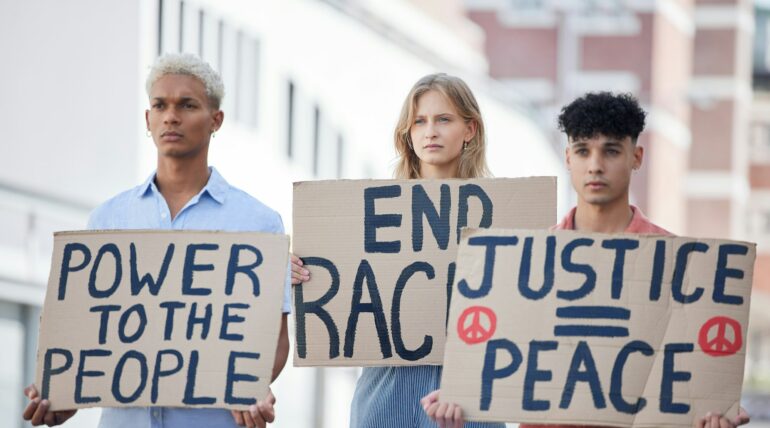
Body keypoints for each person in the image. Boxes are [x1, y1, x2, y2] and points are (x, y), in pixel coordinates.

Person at [420, 92, 750, 428]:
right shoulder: (524, 261)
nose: (595, 165)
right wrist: (462, 399)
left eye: (610, 151)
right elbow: (499, 363)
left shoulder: (682, 265)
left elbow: (690, 380)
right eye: (582, 151)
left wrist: (709, 414)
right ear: (568, 158)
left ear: (636, 157)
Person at [22, 53, 289, 428]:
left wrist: (250, 385)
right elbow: (87, 330)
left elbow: (275, 337)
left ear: (216, 120)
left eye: (187, 105)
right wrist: (65, 392)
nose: (171, 116)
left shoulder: (258, 223)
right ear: (148, 119)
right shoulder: (106, 220)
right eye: (160, 105)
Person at [290, 73, 503, 428]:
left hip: (470, 411)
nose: (430, 131)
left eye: (443, 119)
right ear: (408, 132)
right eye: (419, 121)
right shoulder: (366, 217)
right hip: (386, 406)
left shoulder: (503, 217)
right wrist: (300, 272)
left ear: (470, 130)